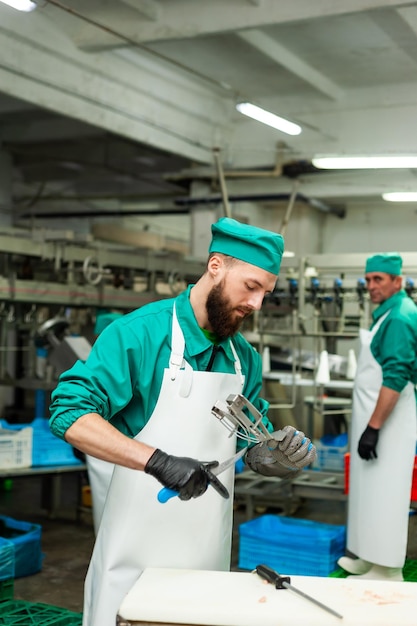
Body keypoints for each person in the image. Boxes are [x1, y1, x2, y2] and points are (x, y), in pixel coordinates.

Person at [49, 216, 316, 626]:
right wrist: (157, 461)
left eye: (267, 292)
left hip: (206, 556)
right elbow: (70, 415)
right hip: (135, 558)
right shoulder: (139, 335)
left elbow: (249, 443)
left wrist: (271, 457)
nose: (257, 304)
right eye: (251, 286)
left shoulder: (243, 358)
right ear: (215, 267)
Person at [338, 252, 417, 581]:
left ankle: (388, 569)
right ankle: (369, 556)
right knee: (368, 487)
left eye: (378, 280)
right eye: (368, 280)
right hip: (376, 416)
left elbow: (395, 377)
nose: (371, 286)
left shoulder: (399, 316)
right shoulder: (385, 312)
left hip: (390, 421)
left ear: (397, 281)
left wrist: (373, 428)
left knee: (387, 491)